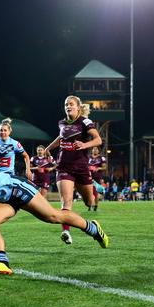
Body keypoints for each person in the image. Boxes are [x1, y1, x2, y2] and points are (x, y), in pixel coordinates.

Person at [44, 96, 102, 245]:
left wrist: (84, 145)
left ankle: (91, 190)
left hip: (81, 167)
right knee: (66, 202)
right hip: (64, 167)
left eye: (71, 104)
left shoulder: (85, 121)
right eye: (66, 104)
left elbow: (98, 140)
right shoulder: (62, 123)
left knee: (89, 202)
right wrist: (49, 148)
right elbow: (61, 137)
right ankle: (66, 232)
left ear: (78, 107)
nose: (68, 106)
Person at [88, 146, 107, 211]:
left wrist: (99, 168)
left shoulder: (102, 158)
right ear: (92, 150)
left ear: (98, 151)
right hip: (89, 177)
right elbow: (85, 166)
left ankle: (95, 205)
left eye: (96, 149)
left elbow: (105, 167)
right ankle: (90, 205)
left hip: (97, 177)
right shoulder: (88, 158)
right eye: (94, 149)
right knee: (89, 191)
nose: (95, 150)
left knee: (95, 192)